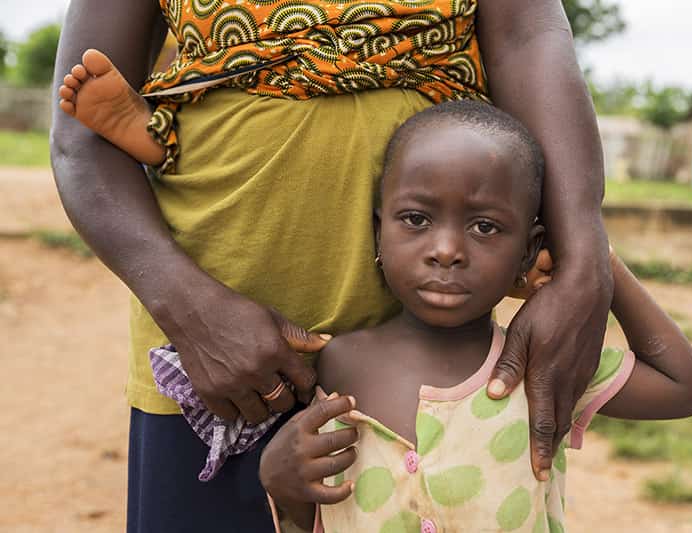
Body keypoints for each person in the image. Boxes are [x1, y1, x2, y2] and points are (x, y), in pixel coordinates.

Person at [51, 1, 615, 531]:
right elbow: (80, 138)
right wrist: (187, 307)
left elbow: (528, 36)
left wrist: (587, 267)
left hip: (431, 361)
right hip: (211, 363)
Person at [259, 101, 692, 532]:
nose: (447, 251)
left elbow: (683, 388)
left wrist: (595, 262)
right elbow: (321, 513)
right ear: (380, 232)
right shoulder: (336, 362)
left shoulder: (542, 367)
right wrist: (278, 478)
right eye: (416, 219)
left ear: (529, 251)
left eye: (485, 227)